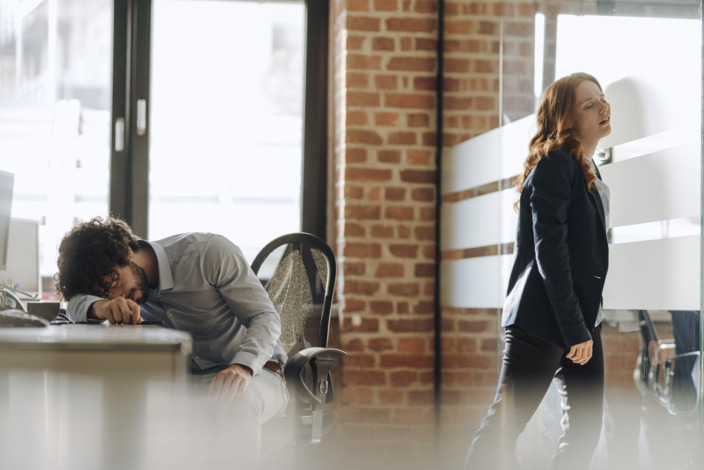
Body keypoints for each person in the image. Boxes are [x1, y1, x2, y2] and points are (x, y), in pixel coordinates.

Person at [464, 72, 611, 470]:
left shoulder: (587, 168)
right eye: (589, 104)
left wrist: (585, 324)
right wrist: (575, 328)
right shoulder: (555, 164)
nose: (603, 107)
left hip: (580, 320)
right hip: (541, 321)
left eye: (602, 98)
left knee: (583, 433)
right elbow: (551, 254)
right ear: (565, 118)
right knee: (502, 430)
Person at [55, 217, 288, 465]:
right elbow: (75, 305)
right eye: (105, 293)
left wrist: (242, 366)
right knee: (118, 402)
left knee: (238, 402)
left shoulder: (208, 253)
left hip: (256, 373)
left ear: (125, 252)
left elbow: (265, 317)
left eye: (113, 283)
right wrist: (101, 306)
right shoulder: (121, 292)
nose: (119, 297)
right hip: (188, 380)